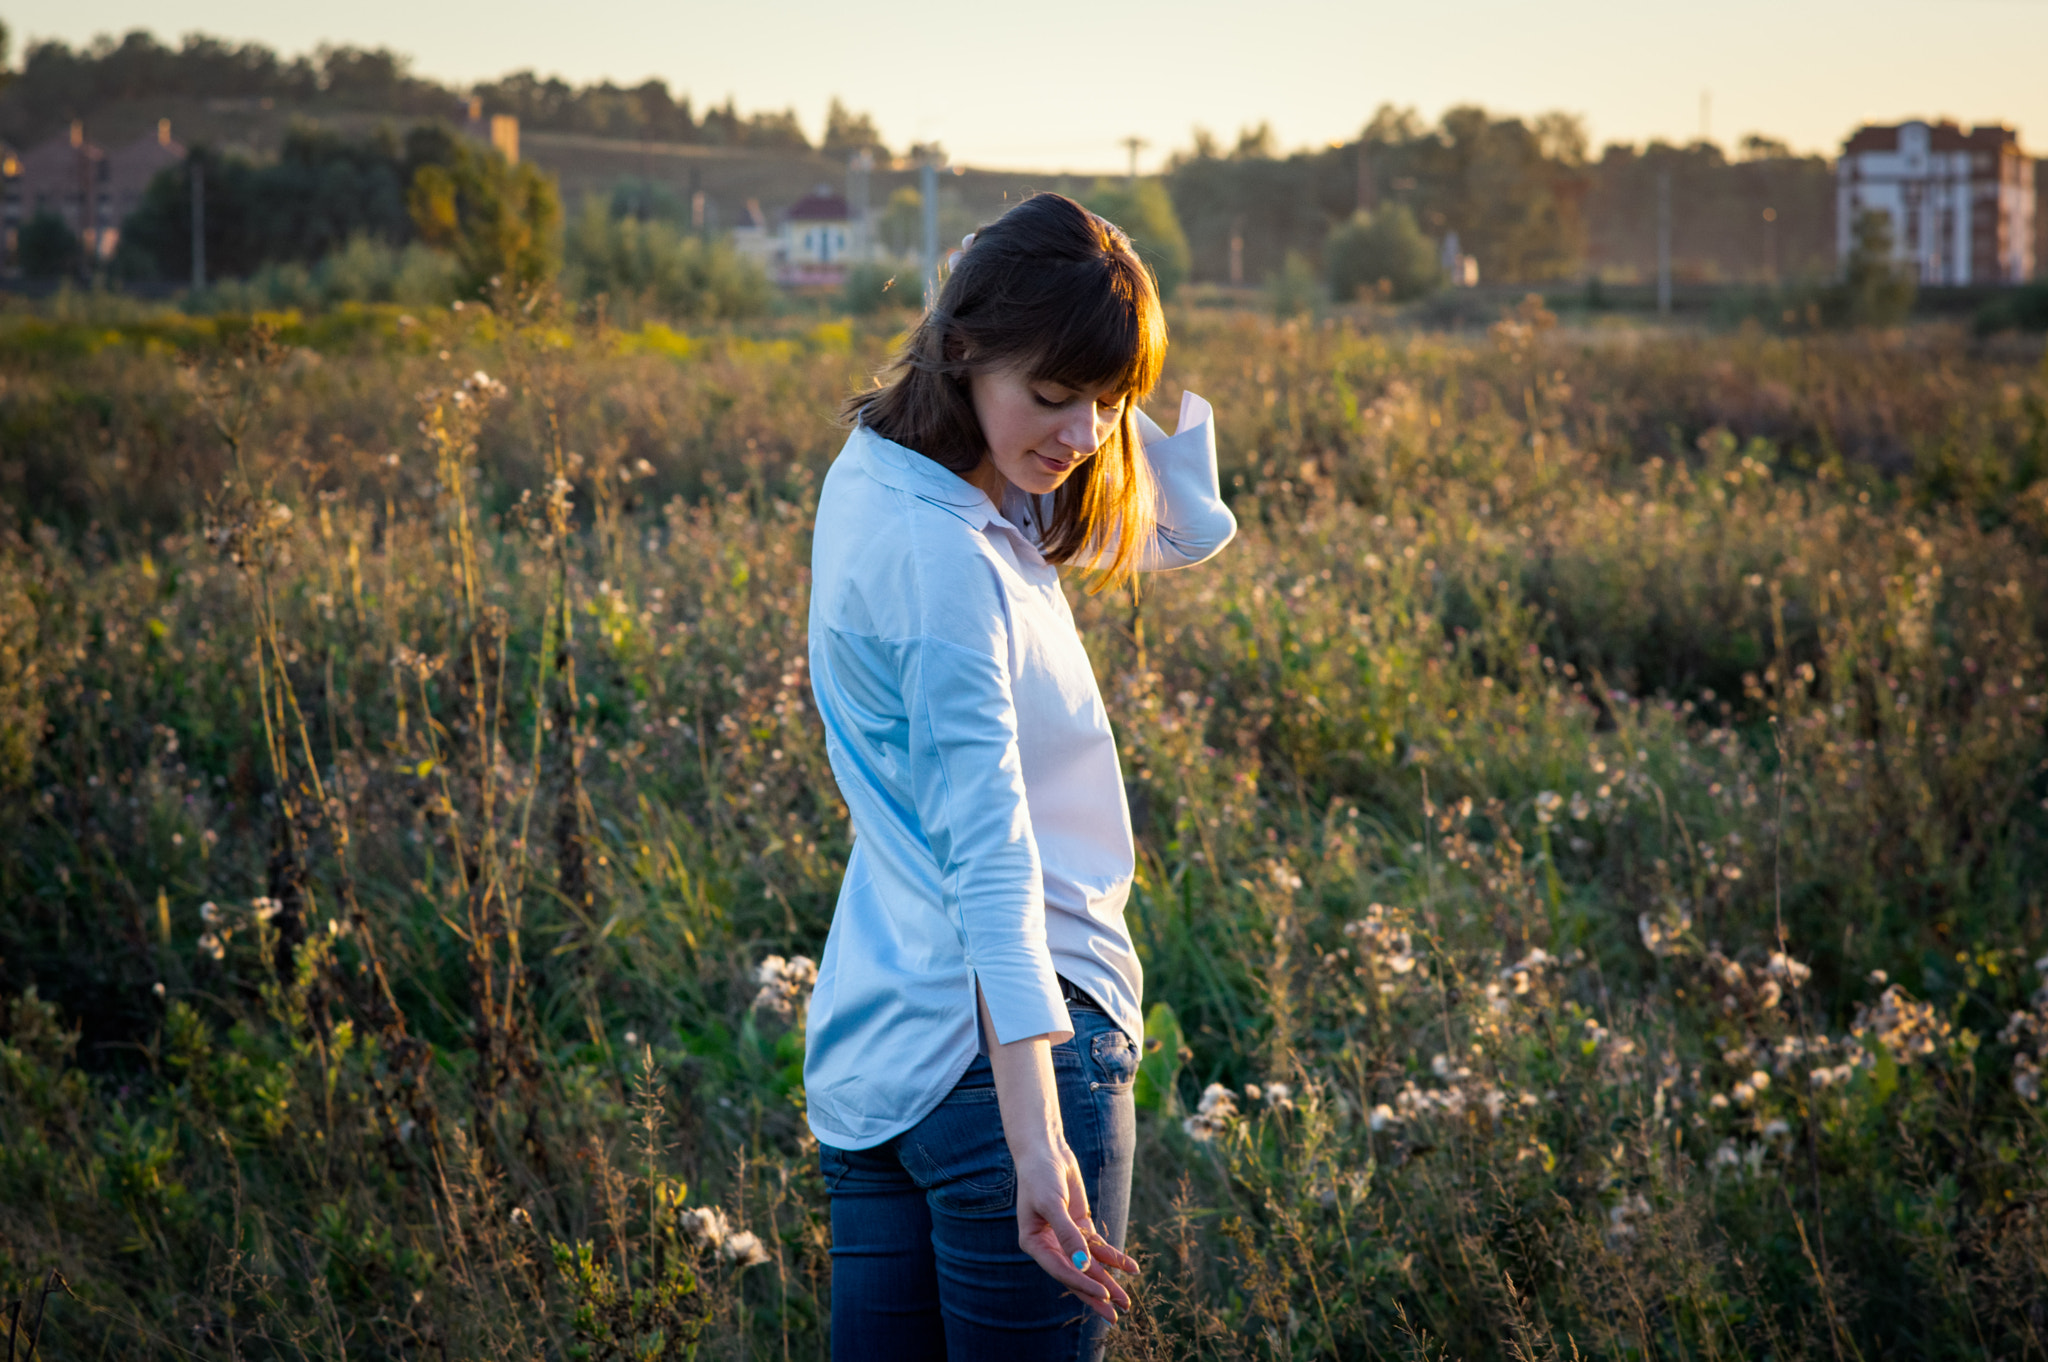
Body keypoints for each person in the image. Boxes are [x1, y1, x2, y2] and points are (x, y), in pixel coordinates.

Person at [805, 191, 1236, 1360]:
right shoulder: (951, 559)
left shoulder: (888, 479)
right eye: (1054, 397)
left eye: (1109, 403)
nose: (1084, 435)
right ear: (957, 347)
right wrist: (1039, 1138)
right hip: (1014, 1062)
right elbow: (992, 860)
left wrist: (1099, 383)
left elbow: (1178, 533)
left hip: (880, 1058)